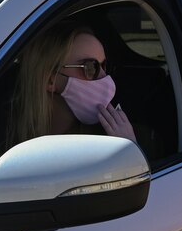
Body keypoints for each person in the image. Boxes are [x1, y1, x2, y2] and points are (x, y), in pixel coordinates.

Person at [7, 21, 136, 148]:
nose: (105, 78)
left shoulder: (115, 140)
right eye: (90, 67)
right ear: (50, 80)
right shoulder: (5, 140)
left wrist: (128, 149)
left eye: (103, 65)